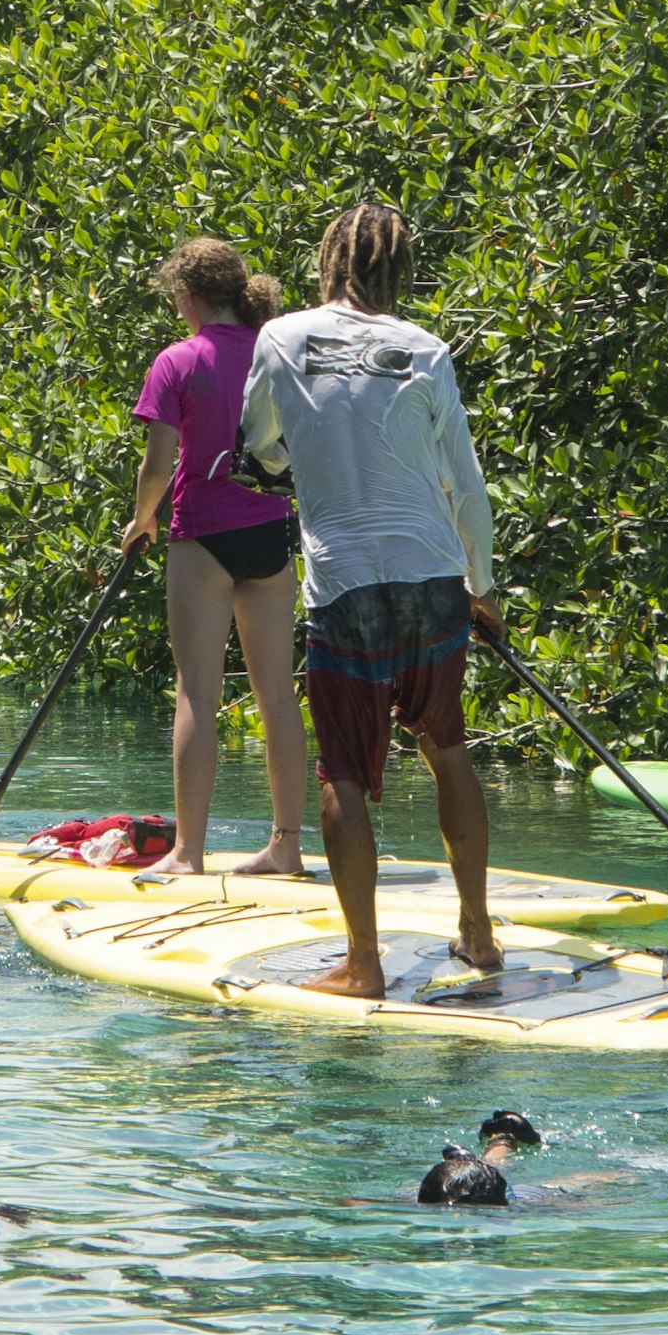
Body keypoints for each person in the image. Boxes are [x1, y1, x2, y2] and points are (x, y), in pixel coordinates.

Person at [239, 203, 504, 998]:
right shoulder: (426, 349)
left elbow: (256, 441)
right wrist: (483, 591)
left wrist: (296, 459)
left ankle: (363, 964)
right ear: (404, 271)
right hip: (433, 578)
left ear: (327, 261)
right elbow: (468, 489)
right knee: (446, 744)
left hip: (346, 586)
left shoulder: (281, 336)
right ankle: (478, 934)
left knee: (344, 773)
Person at [116, 238, 310, 881]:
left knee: (197, 692)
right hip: (272, 533)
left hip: (202, 534)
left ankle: (188, 854)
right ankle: (286, 846)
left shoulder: (177, 360)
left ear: (190, 297)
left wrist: (143, 519)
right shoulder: (274, 351)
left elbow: (158, 463)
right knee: (277, 693)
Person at [416, 1109, 542, 1206]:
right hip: (500, 1199)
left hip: (441, 1196)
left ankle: (503, 1139)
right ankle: (504, 1138)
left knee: (484, 1176)